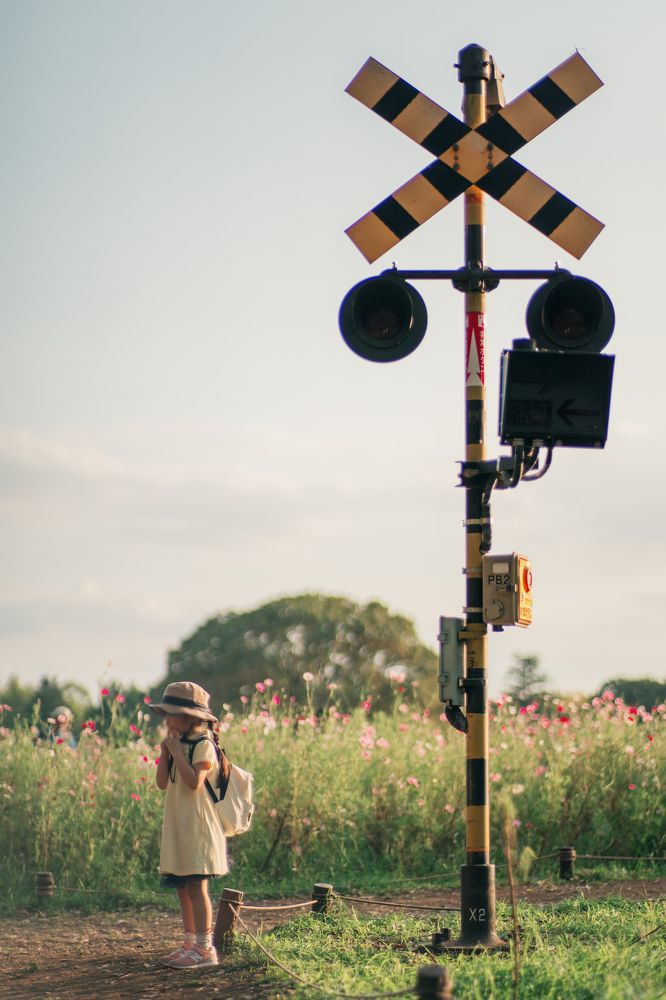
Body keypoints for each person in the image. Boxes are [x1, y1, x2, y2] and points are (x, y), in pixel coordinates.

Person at [149, 681, 229, 969]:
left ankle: (205, 949)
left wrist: (178, 753)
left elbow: (194, 782)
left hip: (198, 828)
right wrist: (166, 753)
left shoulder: (204, 745)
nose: (167, 721)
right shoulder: (178, 745)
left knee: (197, 887)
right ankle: (189, 943)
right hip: (179, 827)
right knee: (182, 887)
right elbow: (161, 783)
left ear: (189, 717)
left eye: (172, 714)